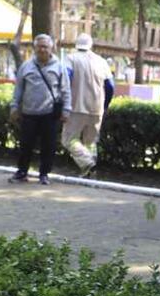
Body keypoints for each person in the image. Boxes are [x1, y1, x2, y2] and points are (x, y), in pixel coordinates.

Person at [8, 34, 69, 186]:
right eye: (39, 46)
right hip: (29, 114)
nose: (42, 49)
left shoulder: (59, 66)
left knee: (48, 147)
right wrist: (14, 106)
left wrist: (67, 110)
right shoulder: (26, 66)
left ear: (51, 48)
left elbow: (66, 90)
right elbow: (19, 89)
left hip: (50, 114)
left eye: (45, 47)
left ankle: (44, 174)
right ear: (34, 48)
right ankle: (22, 172)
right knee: (25, 146)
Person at [61, 33, 113, 177]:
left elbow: (66, 78)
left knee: (68, 139)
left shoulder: (70, 59)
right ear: (91, 45)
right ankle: (89, 173)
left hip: (76, 106)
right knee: (90, 141)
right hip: (97, 108)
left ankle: (87, 163)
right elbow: (110, 86)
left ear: (76, 44)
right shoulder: (102, 61)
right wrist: (105, 104)